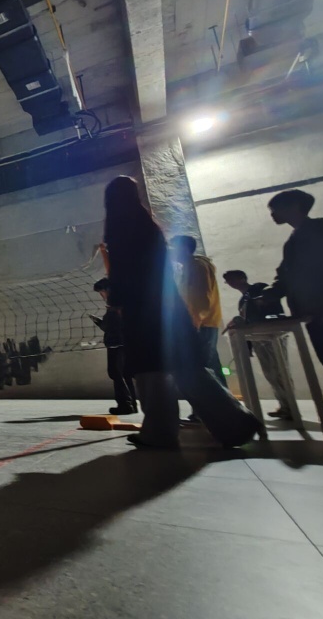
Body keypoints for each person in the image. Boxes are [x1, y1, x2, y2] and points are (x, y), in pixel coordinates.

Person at [103, 176, 260, 450]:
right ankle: (237, 423)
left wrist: (116, 302)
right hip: (169, 309)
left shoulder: (121, 229)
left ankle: (159, 433)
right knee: (187, 368)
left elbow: (123, 272)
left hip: (144, 312)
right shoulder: (149, 228)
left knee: (151, 372)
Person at [265, 189, 323, 439]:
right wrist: (270, 294)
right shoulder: (294, 240)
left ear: (295, 206)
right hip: (315, 315)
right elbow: (286, 277)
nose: (272, 215)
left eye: (275, 209)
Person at [169, 235, 227, 426]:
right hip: (201, 323)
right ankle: (221, 410)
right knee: (210, 368)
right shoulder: (189, 267)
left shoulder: (197, 266)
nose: (172, 253)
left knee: (201, 368)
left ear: (184, 249)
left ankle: (208, 412)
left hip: (201, 324)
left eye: (174, 248)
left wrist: (194, 322)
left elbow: (202, 297)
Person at [222, 270, 293, 420]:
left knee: (280, 370)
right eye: (228, 281)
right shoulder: (242, 300)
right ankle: (284, 406)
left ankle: (290, 406)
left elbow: (268, 307)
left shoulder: (259, 288)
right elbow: (246, 320)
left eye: (232, 279)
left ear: (242, 278)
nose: (230, 283)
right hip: (258, 338)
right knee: (270, 373)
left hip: (272, 334)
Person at [91, 278, 138, 415]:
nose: (101, 295)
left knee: (115, 373)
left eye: (101, 291)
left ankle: (125, 405)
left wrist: (100, 322)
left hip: (115, 343)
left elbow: (111, 326)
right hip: (124, 342)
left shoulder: (114, 305)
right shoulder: (122, 303)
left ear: (107, 290)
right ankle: (132, 405)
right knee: (125, 374)